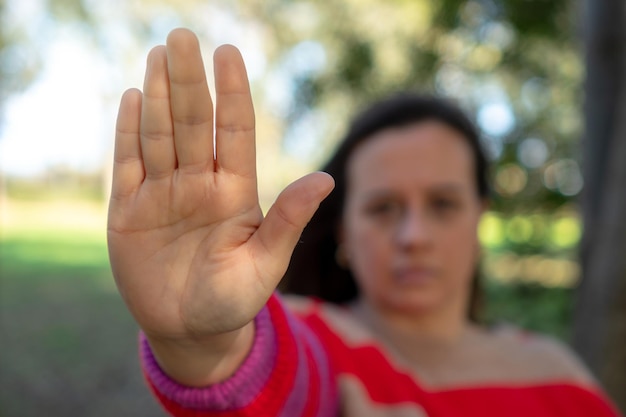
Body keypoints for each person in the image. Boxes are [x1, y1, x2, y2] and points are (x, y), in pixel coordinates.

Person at [107, 28, 621, 417]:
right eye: (383, 208)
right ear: (343, 232)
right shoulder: (316, 340)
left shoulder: (557, 376)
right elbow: (265, 378)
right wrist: (202, 345)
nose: (414, 236)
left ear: (479, 218)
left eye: (443, 205)